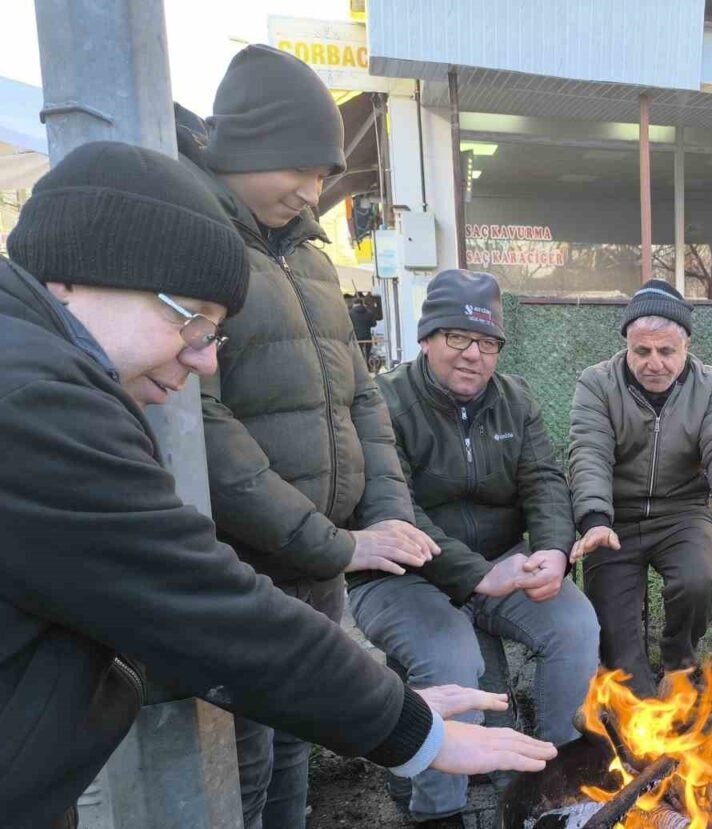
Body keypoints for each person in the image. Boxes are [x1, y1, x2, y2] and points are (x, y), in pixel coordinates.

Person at [0, 141, 555, 829]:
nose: (202, 358)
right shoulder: (34, 404)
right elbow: (203, 606)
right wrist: (411, 727)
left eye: (216, 335)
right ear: (74, 277)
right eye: (190, 318)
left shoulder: (32, 372)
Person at [176, 45, 441, 829]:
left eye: (326, 174)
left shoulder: (316, 262)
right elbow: (201, 421)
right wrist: (330, 541)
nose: (315, 191)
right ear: (250, 143)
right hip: (243, 563)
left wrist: (386, 514)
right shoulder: (195, 238)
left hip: (319, 565)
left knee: (298, 747)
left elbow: (361, 399)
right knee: (240, 767)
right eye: (304, 168)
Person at [348, 269, 600, 827]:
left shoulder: (516, 400)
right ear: (426, 339)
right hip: (399, 574)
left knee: (576, 627)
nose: (473, 356)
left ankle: (561, 783)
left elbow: (544, 481)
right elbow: (391, 510)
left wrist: (555, 551)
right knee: (451, 657)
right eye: (457, 338)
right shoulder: (381, 402)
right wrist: (475, 577)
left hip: (502, 565)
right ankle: (440, 811)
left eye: (487, 343)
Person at [567, 279, 712, 696]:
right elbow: (588, 452)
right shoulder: (596, 384)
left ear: (686, 348)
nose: (654, 363)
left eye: (667, 352)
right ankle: (644, 710)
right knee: (616, 642)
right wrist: (593, 518)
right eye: (641, 351)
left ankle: (678, 661)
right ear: (627, 345)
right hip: (616, 520)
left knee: (698, 580)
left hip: (683, 512)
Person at [350, 295, 378, 362]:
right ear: (362, 303)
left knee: (358, 354)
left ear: (354, 304)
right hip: (367, 336)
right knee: (367, 353)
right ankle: (368, 364)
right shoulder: (369, 313)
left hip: (356, 338)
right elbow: (374, 324)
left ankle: (362, 366)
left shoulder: (350, 313)